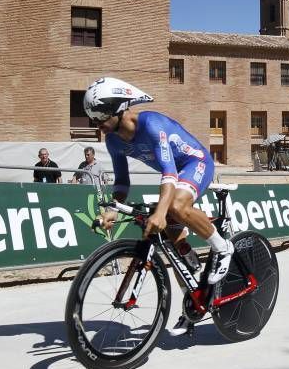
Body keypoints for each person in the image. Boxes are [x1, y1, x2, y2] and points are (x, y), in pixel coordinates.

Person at [83, 76, 234, 336]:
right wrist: (112, 210)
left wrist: (162, 211)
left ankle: (223, 247)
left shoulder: (151, 125)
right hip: (174, 174)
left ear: (118, 110)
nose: (99, 127)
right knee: (173, 246)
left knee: (174, 207)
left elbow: (169, 172)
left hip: (195, 163)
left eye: (101, 119)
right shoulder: (113, 141)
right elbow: (121, 182)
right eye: (93, 121)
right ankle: (192, 303)